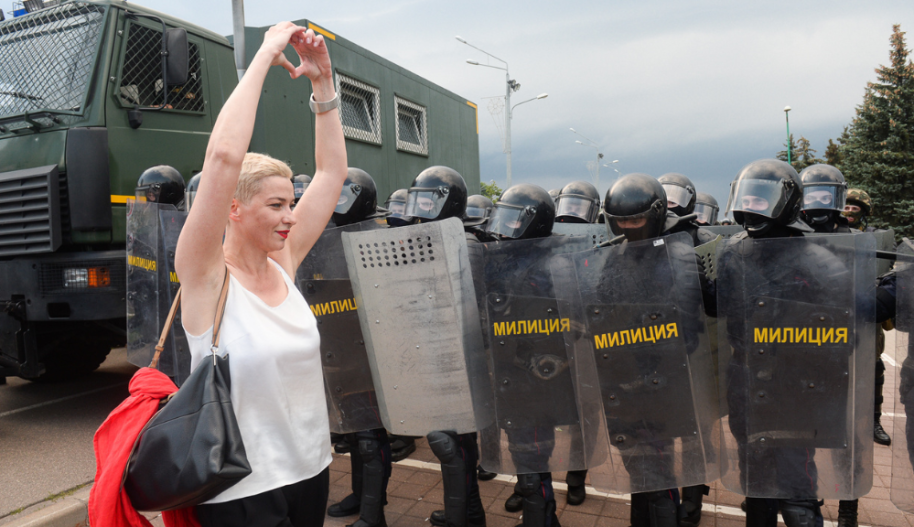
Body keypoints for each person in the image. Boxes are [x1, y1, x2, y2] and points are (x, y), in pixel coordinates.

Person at [174, 23, 347, 527]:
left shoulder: (283, 260)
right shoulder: (205, 277)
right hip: (239, 488)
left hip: (309, 470)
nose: (290, 216)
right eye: (275, 205)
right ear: (233, 208)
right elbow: (224, 156)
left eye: (291, 203)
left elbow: (332, 173)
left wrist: (322, 84)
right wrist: (265, 56)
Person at [719, 159, 867, 527]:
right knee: (755, 482)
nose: (751, 207)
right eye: (747, 198)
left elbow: (839, 339)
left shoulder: (820, 263)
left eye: (761, 199)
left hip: (795, 389)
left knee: (796, 487)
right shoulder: (733, 254)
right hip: (748, 384)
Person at [598, 173, 716, 527]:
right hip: (634, 367)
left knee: (690, 446)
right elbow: (603, 302)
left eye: (635, 219)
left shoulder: (695, 241)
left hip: (685, 365)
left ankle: (691, 507)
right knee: (646, 460)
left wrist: (705, 281)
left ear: (655, 213)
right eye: (621, 221)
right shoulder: (618, 249)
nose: (629, 227)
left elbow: (719, 309)